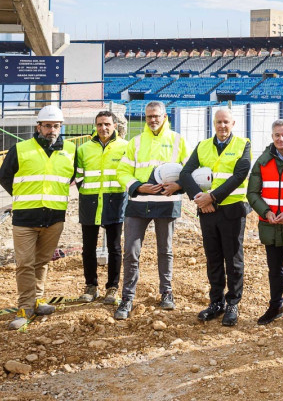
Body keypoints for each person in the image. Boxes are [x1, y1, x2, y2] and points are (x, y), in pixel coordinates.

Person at [0, 105, 76, 330]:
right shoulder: (21, 148)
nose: (52, 130)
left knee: (43, 262)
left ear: (60, 127)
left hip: (54, 217)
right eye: (47, 126)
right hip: (25, 218)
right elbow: (5, 176)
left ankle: (39, 299)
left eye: (56, 126)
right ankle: (25, 307)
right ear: (38, 127)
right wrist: (22, 197)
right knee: (25, 264)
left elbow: (71, 177)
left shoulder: (70, 150)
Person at [115, 101, 188, 320]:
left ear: (165, 117)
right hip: (138, 204)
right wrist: (138, 186)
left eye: (156, 116)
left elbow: (188, 170)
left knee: (165, 251)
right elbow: (122, 171)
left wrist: (179, 185)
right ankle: (127, 297)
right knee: (131, 251)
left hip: (166, 203)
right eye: (149, 117)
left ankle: (166, 292)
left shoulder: (178, 140)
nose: (153, 120)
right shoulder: (135, 142)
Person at [179, 108, 251, 327]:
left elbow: (240, 175)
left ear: (233, 123)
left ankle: (232, 304)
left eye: (226, 122)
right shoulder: (202, 146)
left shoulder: (243, 144)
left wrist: (212, 198)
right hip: (208, 212)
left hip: (232, 211)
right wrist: (199, 199)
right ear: (213, 123)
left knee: (233, 259)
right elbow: (184, 174)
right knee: (213, 258)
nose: (222, 126)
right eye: (218, 122)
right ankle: (216, 302)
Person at [246, 119, 283, 326]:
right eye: (277, 135)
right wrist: (266, 211)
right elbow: (252, 193)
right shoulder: (262, 162)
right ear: (272, 137)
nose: (281, 139)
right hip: (269, 225)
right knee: (274, 269)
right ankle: (275, 306)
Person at [76, 110, 128, 306]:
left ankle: (112, 287)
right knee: (88, 248)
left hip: (115, 201)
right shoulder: (84, 149)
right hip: (89, 203)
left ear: (115, 125)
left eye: (107, 124)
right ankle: (91, 286)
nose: (103, 128)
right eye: (99, 124)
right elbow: (79, 175)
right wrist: (87, 190)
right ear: (95, 126)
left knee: (114, 247)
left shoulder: (125, 147)